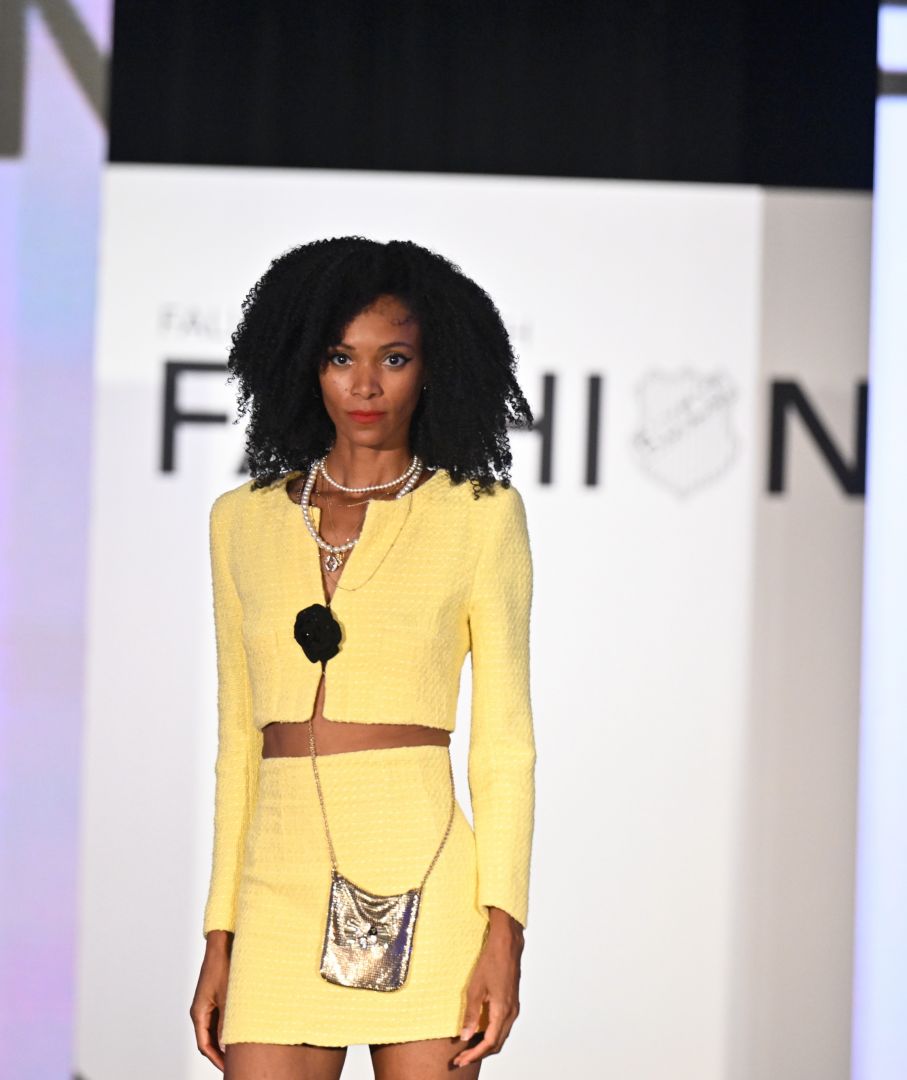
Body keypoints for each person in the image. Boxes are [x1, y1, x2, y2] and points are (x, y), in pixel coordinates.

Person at [189, 237, 536, 1079]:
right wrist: (218, 934)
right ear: (303, 364)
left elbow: (503, 747)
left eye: (394, 358)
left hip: (427, 878)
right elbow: (238, 748)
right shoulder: (241, 521)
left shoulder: (479, 515)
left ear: (434, 367)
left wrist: (505, 933)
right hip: (275, 888)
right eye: (340, 357)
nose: (366, 385)